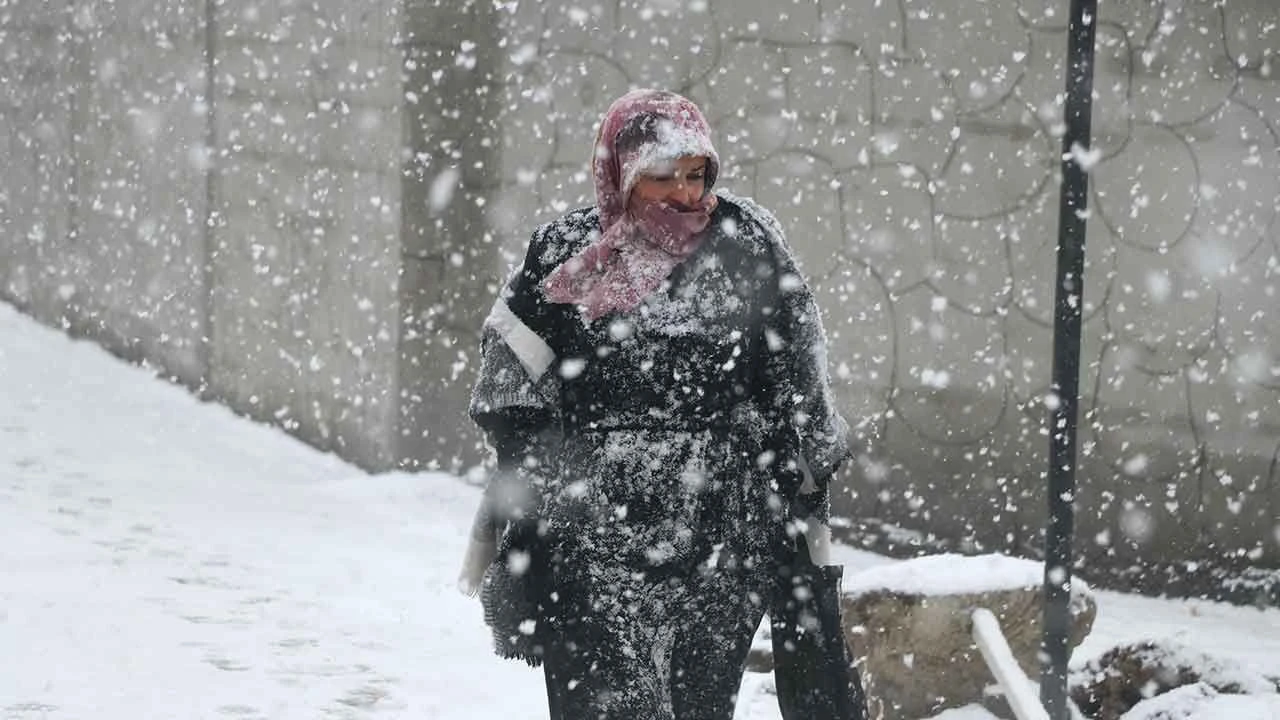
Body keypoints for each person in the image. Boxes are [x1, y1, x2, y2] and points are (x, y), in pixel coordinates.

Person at [458, 88, 853, 719]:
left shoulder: (746, 243)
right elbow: (513, 391)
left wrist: (799, 476)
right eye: (662, 178)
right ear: (621, 174)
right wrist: (531, 499)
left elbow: (797, 368)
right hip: (593, 535)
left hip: (723, 535)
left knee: (699, 706)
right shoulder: (565, 255)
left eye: (697, 176)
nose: (685, 196)